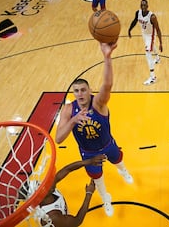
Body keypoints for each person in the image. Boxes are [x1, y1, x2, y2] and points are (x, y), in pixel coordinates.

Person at [55, 42, 133, 217]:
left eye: (83, 90)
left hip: (107, 144)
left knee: (118, 159)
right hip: (88, 153)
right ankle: (106, 197)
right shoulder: (69, 110)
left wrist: (107, 57)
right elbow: (59, 138)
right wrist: (74, 120)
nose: (80, 94)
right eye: (76, 91)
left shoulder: (98, 103)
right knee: (97, 179)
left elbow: (107, 85)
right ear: (73, 93)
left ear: (90, 90)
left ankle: (123, 171)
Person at [22, 155, 106, 227]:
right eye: (40, 187)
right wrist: (89, 193)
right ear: (39, 198)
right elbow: (77, 221)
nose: (43, 184)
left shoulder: (48, 189)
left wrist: (89, 161)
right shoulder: (53, 217)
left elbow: (67, 169)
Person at [128, 0, 163, 85]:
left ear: (147, 6)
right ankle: (158, 58)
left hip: (151, 36)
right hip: (144, 35)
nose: (143, 7)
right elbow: (134, 21)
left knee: (148, 52)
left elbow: (158, 29)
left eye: (145, 5)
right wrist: (129, 29)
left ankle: (152, 77)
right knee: (151, 46)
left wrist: (161, 43)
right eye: (142, 5)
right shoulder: (138, 13)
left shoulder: (152, 17)